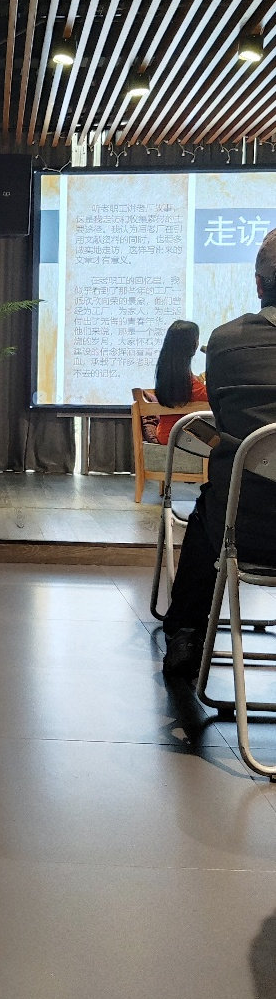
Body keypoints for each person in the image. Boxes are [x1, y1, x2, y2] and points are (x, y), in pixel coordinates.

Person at [163, 228, 276, 681]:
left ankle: (187, 634)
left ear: (259, 283)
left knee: (212, 507)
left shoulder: (227, 342)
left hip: (247, 530)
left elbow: (227, 424)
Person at [153, 319, 208, 446]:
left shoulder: (166, 377)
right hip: (183, 437)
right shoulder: (190, 385)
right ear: (192, 345)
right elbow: (212, 397)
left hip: (166, 434)